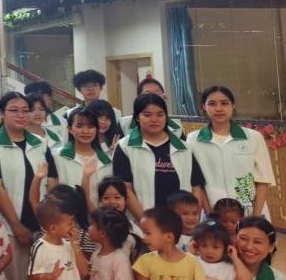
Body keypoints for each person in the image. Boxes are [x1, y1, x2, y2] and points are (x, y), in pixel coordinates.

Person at [0, 92, 56, 280]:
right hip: (9, 227)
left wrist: (49, 220)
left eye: (25, 110)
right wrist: (16, 225)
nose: (21, 115)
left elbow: (52, 180)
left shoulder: (40, 143)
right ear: (1, 113)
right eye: (14, 110)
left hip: (42, 225)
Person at [113, 92, 207, 219]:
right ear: (137, 117)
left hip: (180, 223)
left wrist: (191, 217)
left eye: (160, 114)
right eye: (147, 115)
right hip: (142, 223)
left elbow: (196, 187)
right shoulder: (125, 147)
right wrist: (146, 223)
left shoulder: (184, 147)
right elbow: (125, 190)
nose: (154, 119)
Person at [188, 85, 275, 218]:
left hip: (250, 210)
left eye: (224, 103)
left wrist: (255, 218)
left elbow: (263, 180)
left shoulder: (253, 137)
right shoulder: (193, 139)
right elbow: (197, 183)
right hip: (213, 210)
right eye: (212, 104)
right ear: (204, 107)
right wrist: (211, 216)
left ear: (233, 106)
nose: (219, 108)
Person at [132, 205, 212, 280]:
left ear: (169, 237)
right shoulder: (145, 260)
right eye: (143, 233)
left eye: (148, 233)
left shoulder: (192, 261)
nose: (143, 238)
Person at [28, 196, 88, 280]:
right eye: (70, 223)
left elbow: (84, 271)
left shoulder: (69, 245)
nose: (74, 226)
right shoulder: (40, 247)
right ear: (53, 228)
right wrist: (50, 276)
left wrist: (75, 244)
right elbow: (32, 276)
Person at [54, 106, 112, 211]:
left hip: (98, 217)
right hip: (67, 217)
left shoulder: (107, 160)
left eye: (91, 126)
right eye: (79, 126)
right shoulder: (58, 156)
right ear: (69, 129)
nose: (85, 131)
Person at [87, 207, 136, 280]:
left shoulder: (119, 259)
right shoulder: (95, 254)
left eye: (91, 224)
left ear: (102, 233)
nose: (88, 228)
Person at [117, 77, 185, 138]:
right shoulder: (124, 124)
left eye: (157, 95)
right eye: (147, 94)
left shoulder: (176, 127)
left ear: (164, 98)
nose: (152, 98)